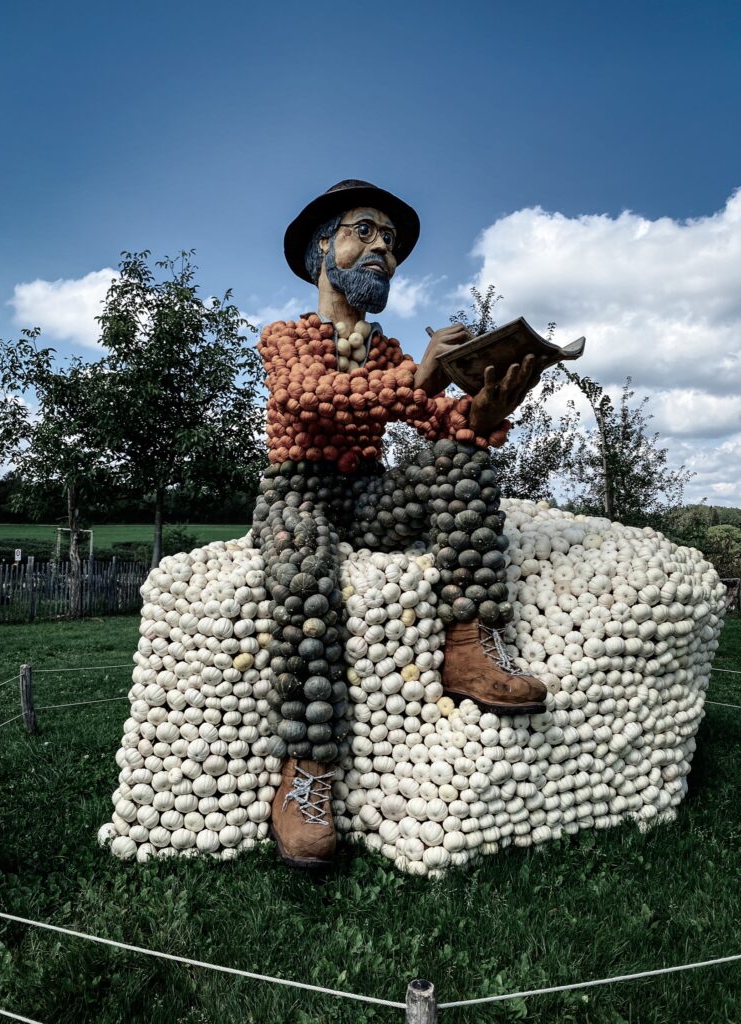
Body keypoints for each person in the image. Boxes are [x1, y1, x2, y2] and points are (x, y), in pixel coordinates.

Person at [253, 180, 546, 867]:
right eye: (364, 231)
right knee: (305, 580)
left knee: (458, 456)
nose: (383, 248)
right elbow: (308, 400)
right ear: (320, 248)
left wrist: (485, 406)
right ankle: (309, 771)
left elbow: (437, 421)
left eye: (391, 241)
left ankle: (469, 643)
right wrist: (421, 379)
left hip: (367, 496)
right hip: (298, 496)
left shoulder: (388, 355)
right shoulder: (285, 337)